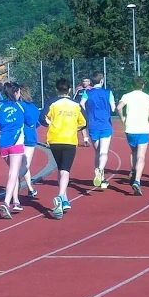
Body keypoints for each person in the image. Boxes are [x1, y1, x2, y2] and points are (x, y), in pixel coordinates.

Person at [44, 78, 87, 218]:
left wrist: (51, 124)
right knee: (65, 170)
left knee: (61, 168)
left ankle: (65, 198)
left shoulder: (52, 103)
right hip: (69, 140)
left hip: (54, 139)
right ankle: (61, 196)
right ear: (69, 90)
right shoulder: (75, 105)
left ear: (57, 90)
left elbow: (41, 118)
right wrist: (74, 127)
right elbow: (84, 122)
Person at [117, 76, 149, 196]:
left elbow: (118, 107)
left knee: (133, 151)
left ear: (132, 85)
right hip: (143, 128)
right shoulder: (148, 98)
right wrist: (147, 117)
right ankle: (137, 180)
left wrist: (122, 118)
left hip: (130, 128)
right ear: (143, 85)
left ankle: (133, 169)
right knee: (141, 156)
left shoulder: (126, 96)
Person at [0, 82, 27, 218]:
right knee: (13, 173)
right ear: (15, 93)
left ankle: (16, 201)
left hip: (2, 144)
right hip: (16, 142)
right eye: (18, 92)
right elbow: (31, 121)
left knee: (14, 172)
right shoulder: (21, 106)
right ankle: (6, 202)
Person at [80, 71, 116, 189]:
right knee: (104, 152)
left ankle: (102, 179)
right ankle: (100, 170)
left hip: (93, 125)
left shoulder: (87, 93)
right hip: (105, 124)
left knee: (98, 152)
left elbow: (81, 104)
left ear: (92, 82)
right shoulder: (108, 92)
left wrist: (88, 113)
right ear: (102, 81)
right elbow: (113, 107)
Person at [19, 84, 42, 199]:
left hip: (17, 137)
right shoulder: (33, 107)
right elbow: (37, 123)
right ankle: (16, 179)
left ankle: (30, 188)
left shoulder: (17, 105)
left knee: (23, 165)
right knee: (26, 165)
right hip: (30, 138)